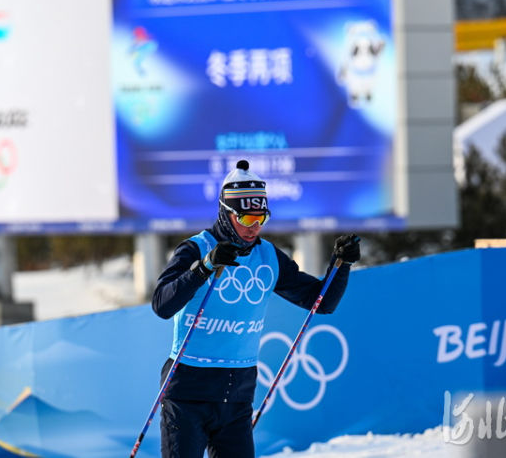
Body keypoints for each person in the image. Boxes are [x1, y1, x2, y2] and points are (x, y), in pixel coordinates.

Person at [152, 159, 361, 458]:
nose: (254, 227)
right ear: (226, 214)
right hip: (187, 391)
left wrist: (342, 264)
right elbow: (162, 304)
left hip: (236, 394)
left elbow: (321, 302)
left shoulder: (268, 257)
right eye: (246, 219)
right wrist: (205, 267)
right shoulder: (196, 249)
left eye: (261, 218)